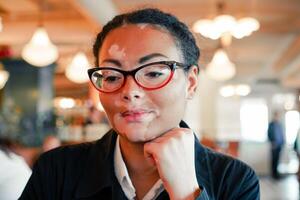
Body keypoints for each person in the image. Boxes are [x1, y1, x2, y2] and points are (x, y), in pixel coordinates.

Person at [20, 8, 259, 199]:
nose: (130, 92)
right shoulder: (57, 170)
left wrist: (186, 192)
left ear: (191, 83)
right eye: (112, 76)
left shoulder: (233, 179)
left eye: (154, 73)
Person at [267, 111, 285, 179]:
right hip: (274, 145)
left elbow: (281, 134)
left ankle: (276, 174)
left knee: (278, 160)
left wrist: (283, 142)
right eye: (276, 115)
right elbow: (269, 134)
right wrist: (272, 142)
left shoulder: (280, 124)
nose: (277, 117)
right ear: (274, 116)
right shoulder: (271, 124)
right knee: (273, 160)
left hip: (280, 145)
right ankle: (273, 175)